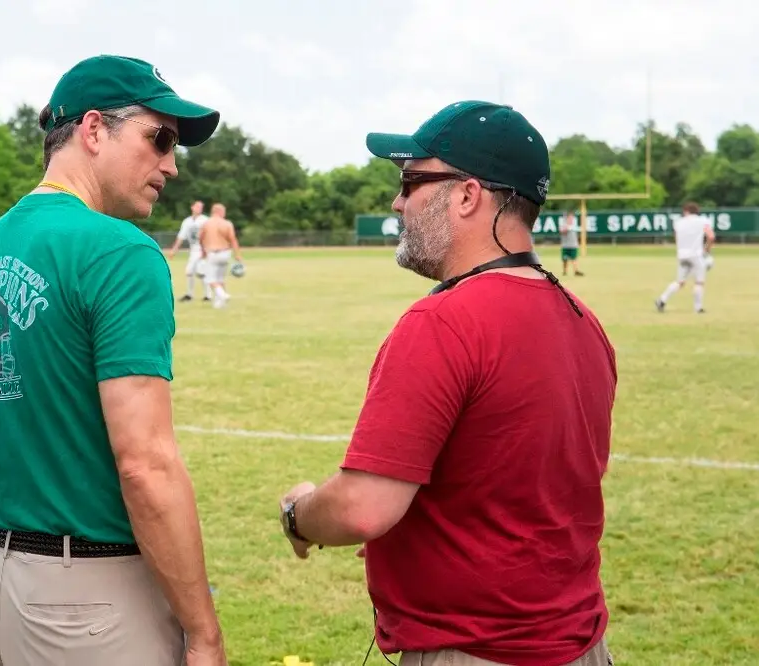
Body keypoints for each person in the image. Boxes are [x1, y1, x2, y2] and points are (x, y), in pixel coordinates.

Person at [278, 101, 617, 666]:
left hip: (475, 651)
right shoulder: (582, 317)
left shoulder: (443, 322)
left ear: (467, 196)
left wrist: (298, 513)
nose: (397, 201)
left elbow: (363, 508)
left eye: (411, 181)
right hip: (580, 644)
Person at [0, 54, 227, 666]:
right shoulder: (120, 251)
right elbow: (146, 465)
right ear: (95, 129)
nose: (172, 164)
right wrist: (203, 632)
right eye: (159, 138)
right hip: (88, 601)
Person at [655, 201, 714, 313]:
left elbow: (677, 238)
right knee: (699, 282)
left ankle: (662, 300)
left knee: (679, 281)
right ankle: (698, 308)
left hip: (682, 255)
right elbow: (711, 236)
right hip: (696, 254)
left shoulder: (679, 222)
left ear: (686, 211)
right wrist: (706, 250)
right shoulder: (703, 221)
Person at [199, 203, 242, 309]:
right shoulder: (227, 223)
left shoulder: (206, 223)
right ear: (220, 212)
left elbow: (200, 238)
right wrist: (237, 254)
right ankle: (219, 304)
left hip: (213, 254)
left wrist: (203, 250)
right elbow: (232, 239)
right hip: (226, 253)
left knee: (210, 279)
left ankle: (223, 295)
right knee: (220, 279)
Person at [169, 200, 213, 302]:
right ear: (192, 207)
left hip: (203, 249)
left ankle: (207, 295)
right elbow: (181, 237)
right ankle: (192, 294)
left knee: (199, 271)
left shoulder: (205, 220)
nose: (199, 209)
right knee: (192, 272)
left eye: (201, 207)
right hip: (193, 250)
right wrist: (174, 250)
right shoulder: (187, 221)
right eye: (197, 206)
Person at [560, 210, 584, 276]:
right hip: (565, 246)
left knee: (574, 259)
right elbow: (562, 231)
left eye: (572, 218)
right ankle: (565, 271)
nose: (571, 219)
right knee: (565, 259)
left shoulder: (574, 226)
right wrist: (566, 228)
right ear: (567, 218)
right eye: (570, 218)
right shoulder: (563, 225)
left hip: (573, 245)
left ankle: (576, 271)